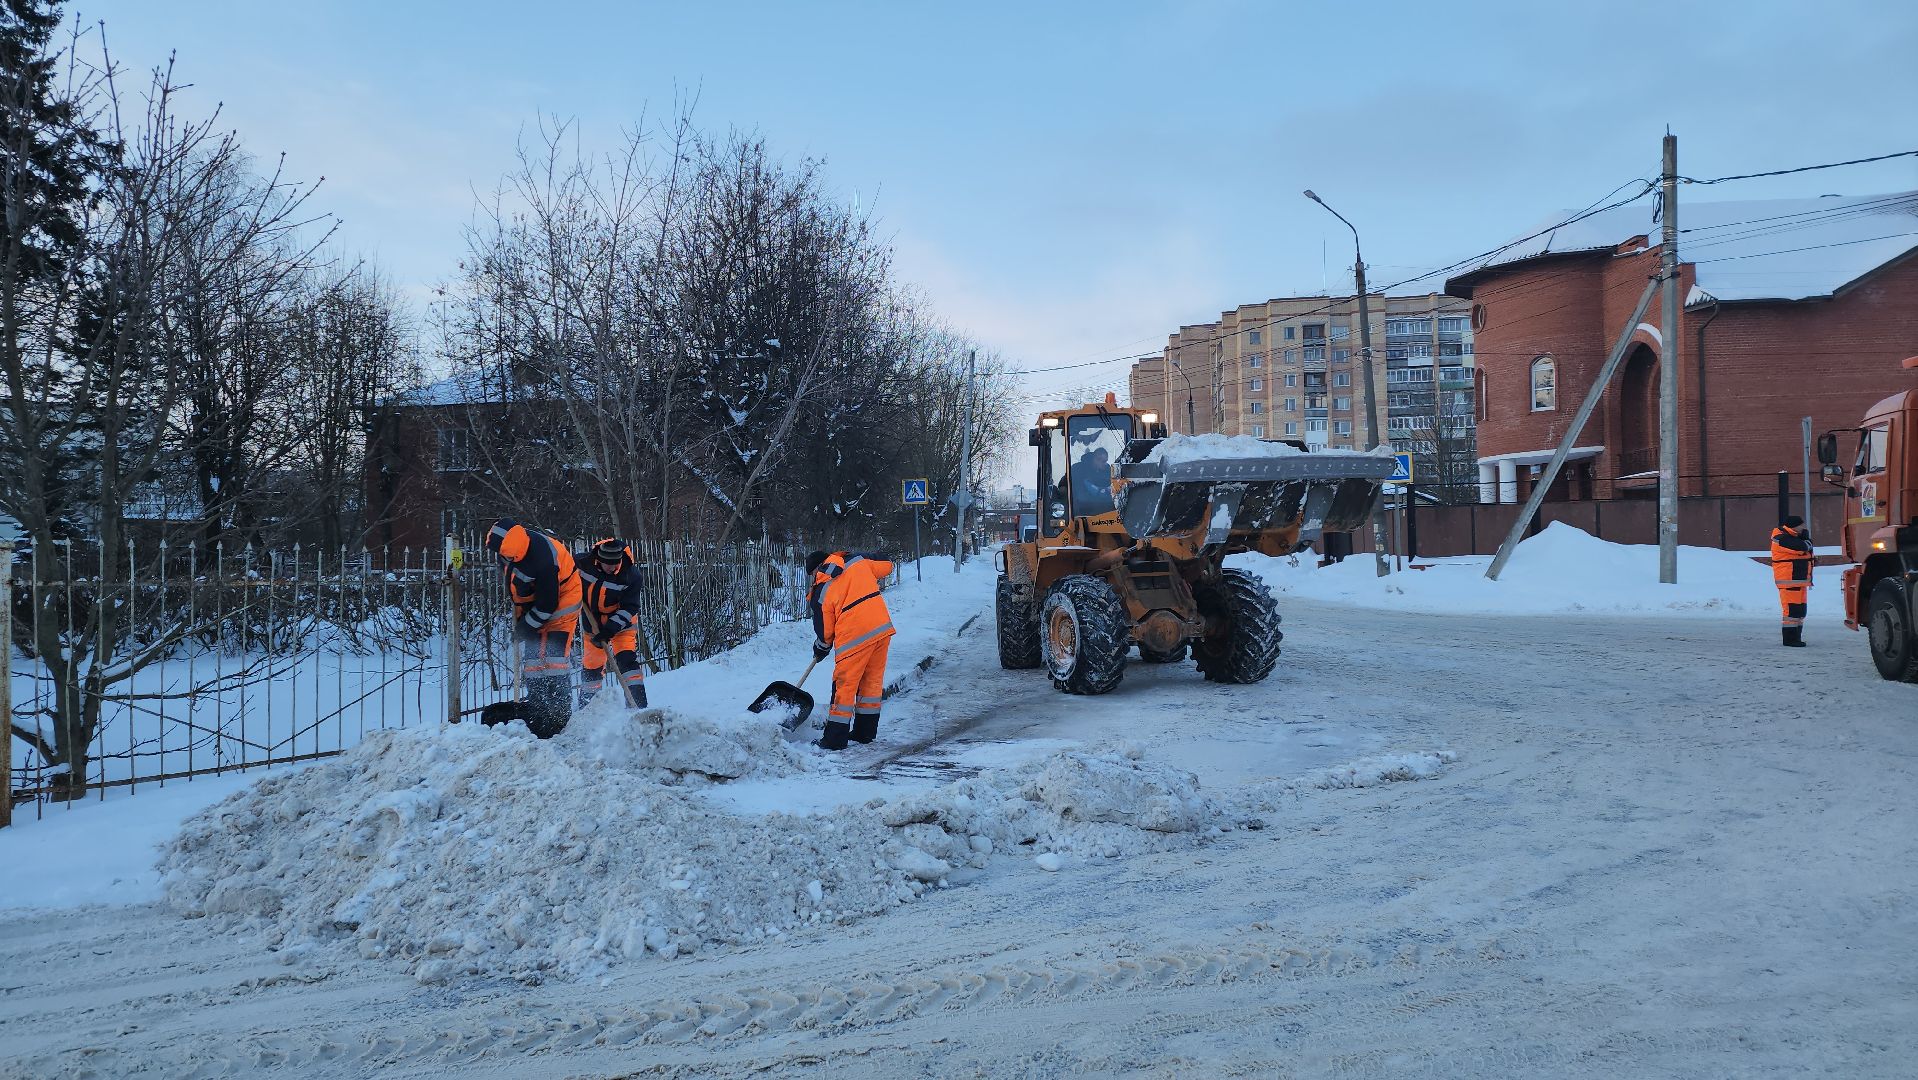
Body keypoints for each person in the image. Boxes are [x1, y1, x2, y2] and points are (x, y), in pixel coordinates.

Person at [483, 518, 582, 736]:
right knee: (533, 659)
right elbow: (519, 586)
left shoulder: (544, 559)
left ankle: (560, 713)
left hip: (563, 597)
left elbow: (548, 604)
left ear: (514, 551)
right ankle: (538, 707)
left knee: (553, 657)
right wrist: (523, 621)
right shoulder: (510, 551)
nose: (500, 557)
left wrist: (527, 626)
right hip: (539, 599)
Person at [806, 549, 896, 750]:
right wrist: (862, 554)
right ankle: (865, 733)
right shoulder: (857, 562)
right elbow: (887, 565)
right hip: (881, 630)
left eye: (812, 574)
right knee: (871, 683)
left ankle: (834, 740)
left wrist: (820, 649)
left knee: (844, 687)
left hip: (854, 639)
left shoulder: (821, 590)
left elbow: (825, 632)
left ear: (815, 570)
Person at [576, 538, 647, 708]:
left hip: (622, 623)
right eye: (608, 564)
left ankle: (637, 706)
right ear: (598, 559)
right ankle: (586, 709)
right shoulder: (582, 563)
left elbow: (630, 607)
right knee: (592, 666)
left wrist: (610, 629)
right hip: (592, 621)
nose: (613, 568)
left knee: (626, 660)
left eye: (616, 563)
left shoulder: (631, 575)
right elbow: (563, 574)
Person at [1770, 515, 1813, 647]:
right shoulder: (1781, 538)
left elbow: (1807, 546)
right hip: (1789, 580)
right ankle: (1789, 640)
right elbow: (1802, 548)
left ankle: (1796, 638)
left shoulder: (1791, 536)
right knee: (1791, 612)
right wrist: (1806, 541)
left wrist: (1806, 542)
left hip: (1798, 580)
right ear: (1793, 526)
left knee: (1800, 611)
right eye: (1800, 525)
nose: (1803, 528)